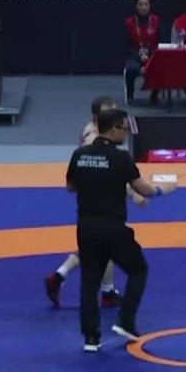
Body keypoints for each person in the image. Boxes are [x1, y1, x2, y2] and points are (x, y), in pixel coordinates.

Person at [66, 108, 177, 352]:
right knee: (138, 270)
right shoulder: (121, 158)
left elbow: (71, 186)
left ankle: (91, 338)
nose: (125, 133)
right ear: (114, 128)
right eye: (124, 128)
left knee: (89, 280)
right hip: (113, 227)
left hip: (86, 226)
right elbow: (144, 190)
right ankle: (126, 320)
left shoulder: (79, 155)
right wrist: (164, 189)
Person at [46, 95, 146, 307]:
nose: (116, 119)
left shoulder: (92, 132)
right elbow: (107, 173)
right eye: (109, 114)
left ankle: (60, 275)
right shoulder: (95, 141)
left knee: (95, 246)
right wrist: (134, 193)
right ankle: (106, 292)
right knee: (105, 246)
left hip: (92, 201)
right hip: (100, 200)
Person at [124, 0, 160, 104]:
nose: (143, 7)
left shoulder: (156, 20)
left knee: (159, 68)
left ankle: (154, 95)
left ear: (149, 6)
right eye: (141, 4)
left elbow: (161, 41)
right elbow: (126, 45)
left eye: (146, 4)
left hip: (153, 55)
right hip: (135, 55)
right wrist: (139, 55)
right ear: (136, 6)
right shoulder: (129, 22)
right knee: (131, 69)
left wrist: (151, 55)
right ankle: (130, 93)